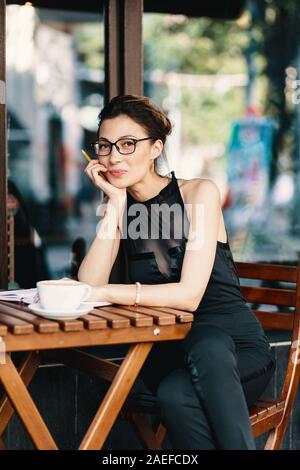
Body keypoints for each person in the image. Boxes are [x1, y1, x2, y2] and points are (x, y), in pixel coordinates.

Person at [78, 94, 276, 450]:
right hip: (170, 349)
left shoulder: (199, 193)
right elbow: (87, 286)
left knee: (202, 357)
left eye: (127, 144)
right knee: (173, 391)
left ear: (155, 148)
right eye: (105, 146)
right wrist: (115, 207)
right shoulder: (121, 207)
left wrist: (108, 293)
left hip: (233, 349)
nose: (114, 156)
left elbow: (188, 297)